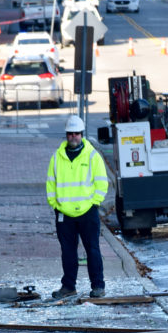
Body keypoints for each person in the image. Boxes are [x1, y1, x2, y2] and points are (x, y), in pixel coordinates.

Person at [46, 115, 108, 299]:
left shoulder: (92, 156)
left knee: (93, 250)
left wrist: (94, 202)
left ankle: (98, 286)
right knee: (68, 252)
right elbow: (51, 184)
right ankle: (68, 287)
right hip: (64, 214)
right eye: (70, 133)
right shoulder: (57, 157)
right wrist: (55, 206)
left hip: (88, 212)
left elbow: (102, 183)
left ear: (81, 134)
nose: (73, 136)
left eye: (76, 133)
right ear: (66, 134)